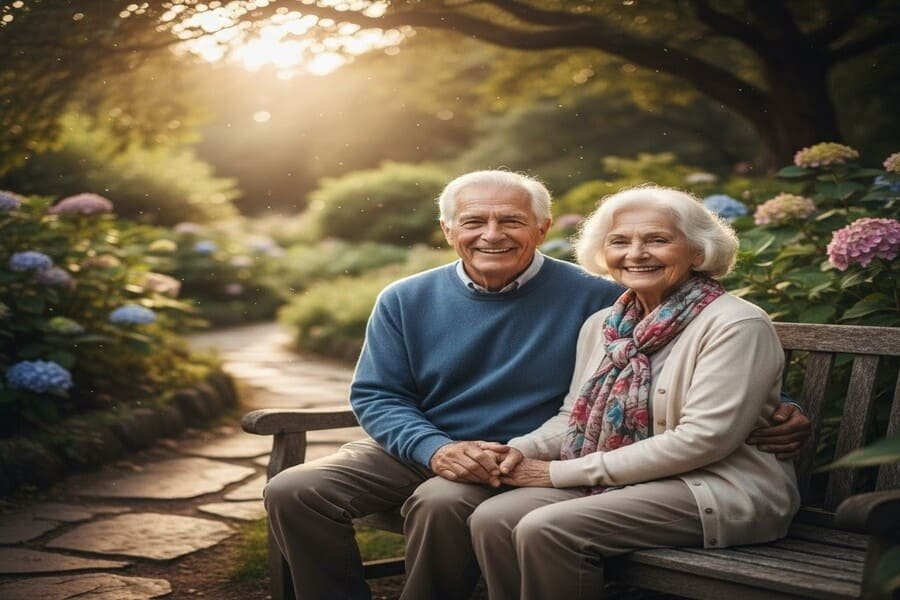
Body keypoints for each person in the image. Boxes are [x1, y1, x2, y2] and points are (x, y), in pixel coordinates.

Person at [263, 171, 810, 600]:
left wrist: (776, 408)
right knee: (292, 490)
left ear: (543, 228)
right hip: (434, 441)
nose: (491, 235)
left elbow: (698, 364)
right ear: (449, 231)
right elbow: (378, 397)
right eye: (473, 221)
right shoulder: (406, 298)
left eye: (512, 221)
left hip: (516, 455)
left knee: (441, 502)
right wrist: (437, 448)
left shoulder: (596, 297)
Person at [469, 185, 802, 600]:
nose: (636, 253)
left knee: (548, 528)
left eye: (658, 240)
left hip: (717, 488)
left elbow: (703, 440)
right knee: (493, 518)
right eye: (620, 241)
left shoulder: (736, 324)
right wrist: (517, 451)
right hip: (631, 483)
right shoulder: (604, 325)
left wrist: (555, 473)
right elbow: (573, 416)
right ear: (602, 253)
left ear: (698, 252)